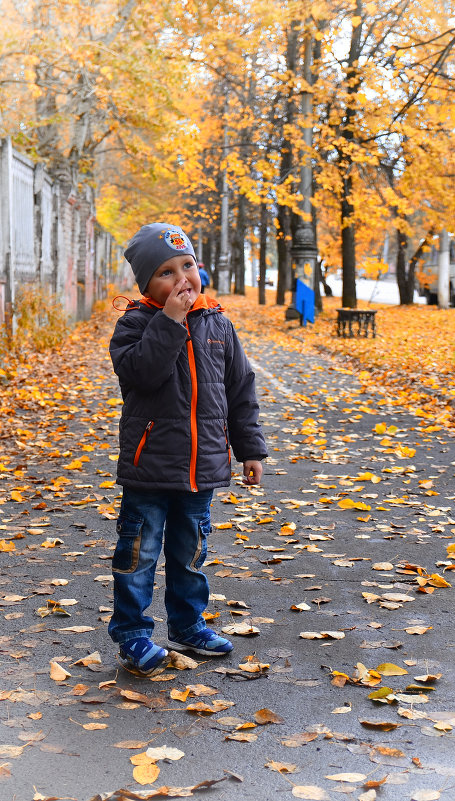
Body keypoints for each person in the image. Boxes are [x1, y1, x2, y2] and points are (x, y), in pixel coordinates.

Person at [108, 222, 267, 676]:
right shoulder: (134, 326)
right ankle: (134, 635)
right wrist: (170, 323)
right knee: (138, 556)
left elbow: (240, 390)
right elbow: (142, 374)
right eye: (166, 272)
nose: (182, 279)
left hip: (204, 468)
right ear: (145, 285)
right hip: (150, 468)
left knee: (190, 554)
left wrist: (250, 449)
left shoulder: (218, 324)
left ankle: (187, 623)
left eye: (187, 265)